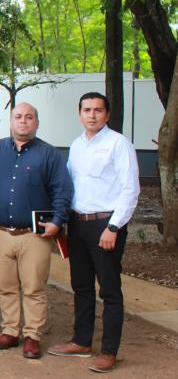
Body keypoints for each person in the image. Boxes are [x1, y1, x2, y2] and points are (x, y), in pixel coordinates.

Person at [48, 92, 139, 373]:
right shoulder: (76, 146)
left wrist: (114, 227)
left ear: (107, 114)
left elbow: (130, 189)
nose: (92, 115)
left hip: (106, 225)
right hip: (78, 224)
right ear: (80, 114)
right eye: (86, 110)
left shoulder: (119, 144)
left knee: (109, 289)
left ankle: (109, 351)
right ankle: (81, 341)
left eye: (98, 110)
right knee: (82, 285)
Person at [0, 103, 72, 358]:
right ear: (10, 120)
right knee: (6, 285)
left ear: (36, 123)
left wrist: (58, 220)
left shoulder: (49, 155)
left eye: (29, 117)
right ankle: (10, 330)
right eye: (18, 116)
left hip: (35, 236)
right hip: (0, 233)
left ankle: (32, 335)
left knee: (33, 287)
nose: (23, 121)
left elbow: (61, 191)